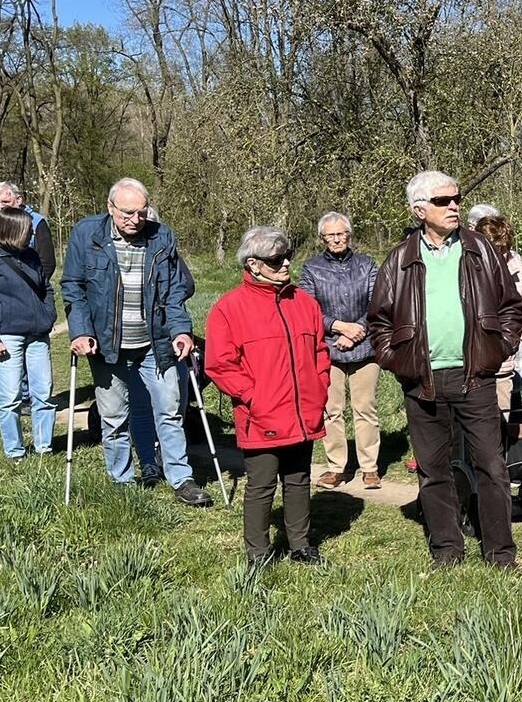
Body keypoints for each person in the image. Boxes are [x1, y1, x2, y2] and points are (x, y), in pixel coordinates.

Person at [368, 171, 522, 569]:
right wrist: (397, 360)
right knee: (434, 471)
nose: (454, 205)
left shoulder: (481, 250)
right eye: (443, 201)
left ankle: (500, 554)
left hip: (476, 378)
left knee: (491, 467)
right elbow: (379, 322)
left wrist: (498, 349)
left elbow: (510, 306)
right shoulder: (400, 259)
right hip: (423, 382)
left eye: (456, 198)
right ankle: (447, 550)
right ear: (420, 209)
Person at [61, 177, 213, 506]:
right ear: (110, 208)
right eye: (128, 213)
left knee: (171, 410)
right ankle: (122, 481)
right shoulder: (86, 235)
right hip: (106, 345)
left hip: (155, 342)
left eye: (141, 213)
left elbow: (174, 292)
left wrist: (181, 330)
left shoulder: (162, 237)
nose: (135, 220)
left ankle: (181, 478)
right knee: (114, 417)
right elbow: (73, 286)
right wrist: (80, 330)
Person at [206, 226, 331, 567]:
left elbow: (320, 353)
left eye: (287, 256)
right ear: (254, 265)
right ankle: (258, 554)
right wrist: (253, 397)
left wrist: (319, 388)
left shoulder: (305, 303)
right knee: (261, 485)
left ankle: (301, 544)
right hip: (260, 415)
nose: (286, 263)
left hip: (303, 411)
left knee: (298, 479)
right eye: (276, 260)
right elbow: (219, 365)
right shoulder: (229, 309)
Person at [298, 212, 383, 490]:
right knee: (331, 410)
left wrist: (356, 331)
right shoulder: (311, 269)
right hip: (327, 349)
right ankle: (336, 467)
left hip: (365, 348)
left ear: (349, 235)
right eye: (330, 235)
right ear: (322, 238)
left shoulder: (367, 265)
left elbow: (378, 305)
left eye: (340, 234)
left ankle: (369, 467)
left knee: (365, 408)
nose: (336, 239)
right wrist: (338, 327)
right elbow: (307, 310)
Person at [0, 208, 57, 460]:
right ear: (14, 229)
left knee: (44, 394)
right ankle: (15, 452)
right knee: (10, 397)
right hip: (6, 338)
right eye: (28, 229)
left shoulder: (32, 256)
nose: (32, 233)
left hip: (38, 336)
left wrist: (48, 314)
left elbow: (46, 288)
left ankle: (44, 448)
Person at [127, 204, 196, 486]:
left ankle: (178, 473)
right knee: (139, 406)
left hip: (163, 340)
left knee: (170, 406)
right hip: (128, 344)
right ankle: (148, 462)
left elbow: (186, 284)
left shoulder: (166, 251)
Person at [475, 214, 522, 416]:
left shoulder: (516, 269)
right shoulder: (468, 268)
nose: (501, 256)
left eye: (504, 249)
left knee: (503, 424)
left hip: (504, 363)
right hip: (473, 366)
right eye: (495, 250)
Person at [0, 180, 55, 278]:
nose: (1, 206)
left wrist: (37, 285)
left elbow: (47, 262)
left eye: (5, 202)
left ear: (18, 200)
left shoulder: (37, 222)